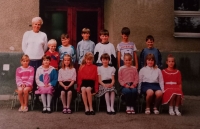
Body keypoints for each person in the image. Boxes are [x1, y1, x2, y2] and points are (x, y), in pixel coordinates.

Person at [22, 17, 48, 102]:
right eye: (35, 24)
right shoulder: (27, 34)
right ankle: (32, 98)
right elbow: (24, 46)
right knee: (30, 79)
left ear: (41, 25)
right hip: (29, 60)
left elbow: (45, 47)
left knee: (39, 79)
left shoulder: (43, 35)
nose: (37, 26)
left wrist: (39, 55)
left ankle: (37, 98)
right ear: (32, 24)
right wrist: (28, 56)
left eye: (39, 24)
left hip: (39, 60)